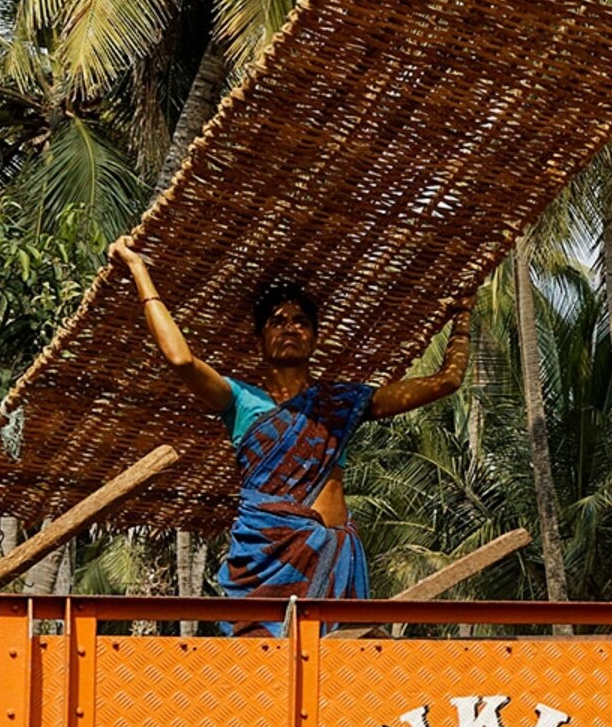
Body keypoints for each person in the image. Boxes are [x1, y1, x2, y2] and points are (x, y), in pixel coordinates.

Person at [114, 242, 468, 607]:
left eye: (301, 321)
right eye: (277, 321)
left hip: (332, 565)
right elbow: (181, 359)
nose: (290, 328)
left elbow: (447, 382)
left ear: (315, 338)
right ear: (261, 338)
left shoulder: (342, 404)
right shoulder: (239, 400)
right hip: (265, 561)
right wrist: (139, 269)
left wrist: (463, 318)